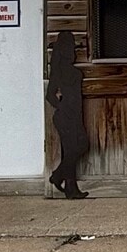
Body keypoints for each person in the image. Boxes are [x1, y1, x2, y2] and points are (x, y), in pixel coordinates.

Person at [46, 30, 90, 198]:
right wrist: (62, 107)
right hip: (65, 116)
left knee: (76, 147)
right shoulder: (58, 71)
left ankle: (63, 181)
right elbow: (49, 96)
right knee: (78, 146)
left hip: (74, 114)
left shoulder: (67, 70)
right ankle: (61, 179)